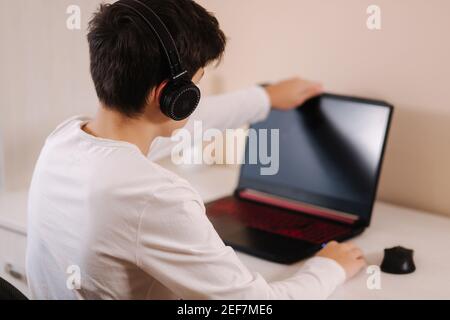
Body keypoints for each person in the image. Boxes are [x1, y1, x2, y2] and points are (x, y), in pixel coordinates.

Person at [26, 0, 366, 300]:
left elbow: (171, 127)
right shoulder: (153, 196)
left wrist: (263, 98)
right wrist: (328, 269)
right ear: (172, 98)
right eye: (196, 86)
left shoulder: (63, 140)